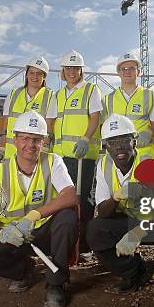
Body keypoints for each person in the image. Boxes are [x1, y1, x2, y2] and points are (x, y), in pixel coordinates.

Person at [0, 111, 78, 307]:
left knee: (68, 217)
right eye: (25, 138)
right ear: (15, 140)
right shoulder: (0, 173)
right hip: (15, 236)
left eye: (36, 139)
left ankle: (56, 284)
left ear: (43, 142)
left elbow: (70, 195)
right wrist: (0, 233)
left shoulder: (53, 161)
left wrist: (34, 216)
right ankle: (23, 271)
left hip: (46, 233)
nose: (31, 145)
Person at [87, 114, 154, 302]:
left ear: (134, 141)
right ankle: (135, 272)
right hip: (130, 219)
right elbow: (103, 211)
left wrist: (137, 233)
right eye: (112, 141)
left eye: (124, 139)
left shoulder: (151, 164)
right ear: (106, 146)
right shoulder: (104, 166)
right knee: (97, 229)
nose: (118, 145)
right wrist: (116, 196)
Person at [46, 49, 102, 253]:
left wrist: (86, 139)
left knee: (83, 199)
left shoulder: (90, 90)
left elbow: (95, 117)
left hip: (83, 156)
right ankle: (66, 242)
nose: (71, 71)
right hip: (61, 156)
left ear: (81, 70)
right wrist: (49, 136)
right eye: (68, 68)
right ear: (63, 70)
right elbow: (50, 121)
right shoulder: (58, 94)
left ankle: (84, 246)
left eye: (75, 68)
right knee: (62, 199)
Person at [102, 53, 154, 157]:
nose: (127, 71)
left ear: (138, 71)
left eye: (132, 68)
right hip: (118, 156)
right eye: (123, 68)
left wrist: (148, 132)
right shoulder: (108, 99)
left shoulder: (150, 95)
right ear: (119, 72)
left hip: (143, 154)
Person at [0, 56, 53, 160]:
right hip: (11, 153)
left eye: (39, 73)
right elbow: (5, 124)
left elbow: (49, 127)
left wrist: (44, 149)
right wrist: (2, 147)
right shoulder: (13, 94)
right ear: (26, 74)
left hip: (33, 155)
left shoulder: (50, 96)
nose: (35, 76)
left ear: (44, 76)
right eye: (32, 72)